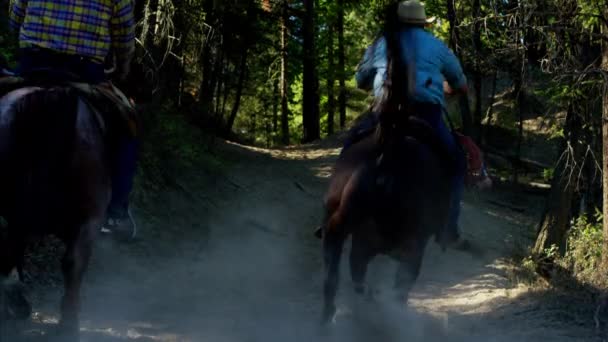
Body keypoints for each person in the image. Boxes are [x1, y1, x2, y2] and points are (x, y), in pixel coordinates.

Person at [8, 0, 138, 240]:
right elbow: (124, 36)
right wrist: (123, 67)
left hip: (32, 63)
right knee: (127, 121)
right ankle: (116, 212)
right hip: (84, 71)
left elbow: (15, 17)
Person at [348, 0, 470, 249]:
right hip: (426, 114)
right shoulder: (438, 47)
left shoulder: (381, 44)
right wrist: (446, 88)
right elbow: (461, 83)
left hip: (385, 111)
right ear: (424, 23)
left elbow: (360, 80)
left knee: (350, 147)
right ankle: (449, 230)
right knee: (457, 162)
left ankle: (335, 213)